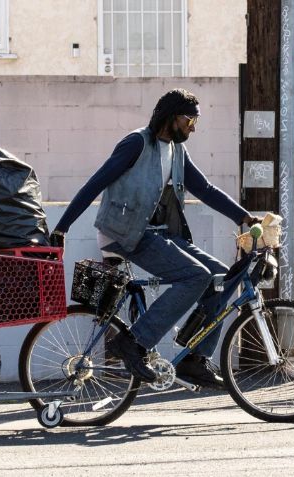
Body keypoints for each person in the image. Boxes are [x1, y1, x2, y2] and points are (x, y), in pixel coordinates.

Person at [49, 89, 260, 389]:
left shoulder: (176, 151)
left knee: (222, 278)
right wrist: (62, 228)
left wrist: (243, 217)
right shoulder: (137, 143)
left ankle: (194, 358)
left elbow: (206, 189)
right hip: (123, 234)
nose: (193, 127)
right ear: (171, 116)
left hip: (155, 234)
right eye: (190, 120)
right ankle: (134, 343)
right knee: (195, 276)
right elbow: (97, 181)